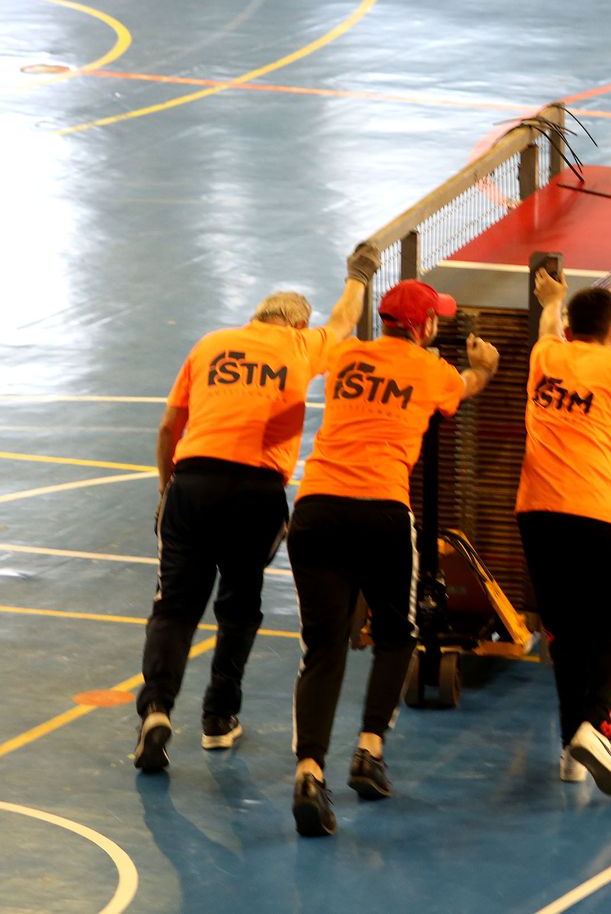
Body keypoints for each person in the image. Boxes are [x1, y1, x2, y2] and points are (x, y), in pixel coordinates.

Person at [133, 244, 375, 773]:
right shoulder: (301, 344)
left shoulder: (211, 344)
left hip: (192, 484)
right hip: (255, 493)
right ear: (297, 322)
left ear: (255, 316)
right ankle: (219, 719)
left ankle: (155, 710)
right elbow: (344, 321)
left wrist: (166, 490)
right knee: (239, 606)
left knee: (174, 607)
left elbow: (169, 427)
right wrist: (359, 273)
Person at [286, 279, 498, 837]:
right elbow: (470, 384)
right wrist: (488, 365)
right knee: (397, 632)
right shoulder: (432, 372)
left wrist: (356, 274)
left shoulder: (346, 353)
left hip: (316, 507)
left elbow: (336, 320)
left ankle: (309, 772)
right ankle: (369, 750)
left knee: (324, 646)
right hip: (380, 510)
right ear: (425, 327)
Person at [516, 268, 611, 796]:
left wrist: (552, 300)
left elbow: (544, 332)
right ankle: (600, 730)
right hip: (599, 513)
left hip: (536, 514)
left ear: (571, 327)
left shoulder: (545, 359)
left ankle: (570, 752)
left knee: (567, 637)